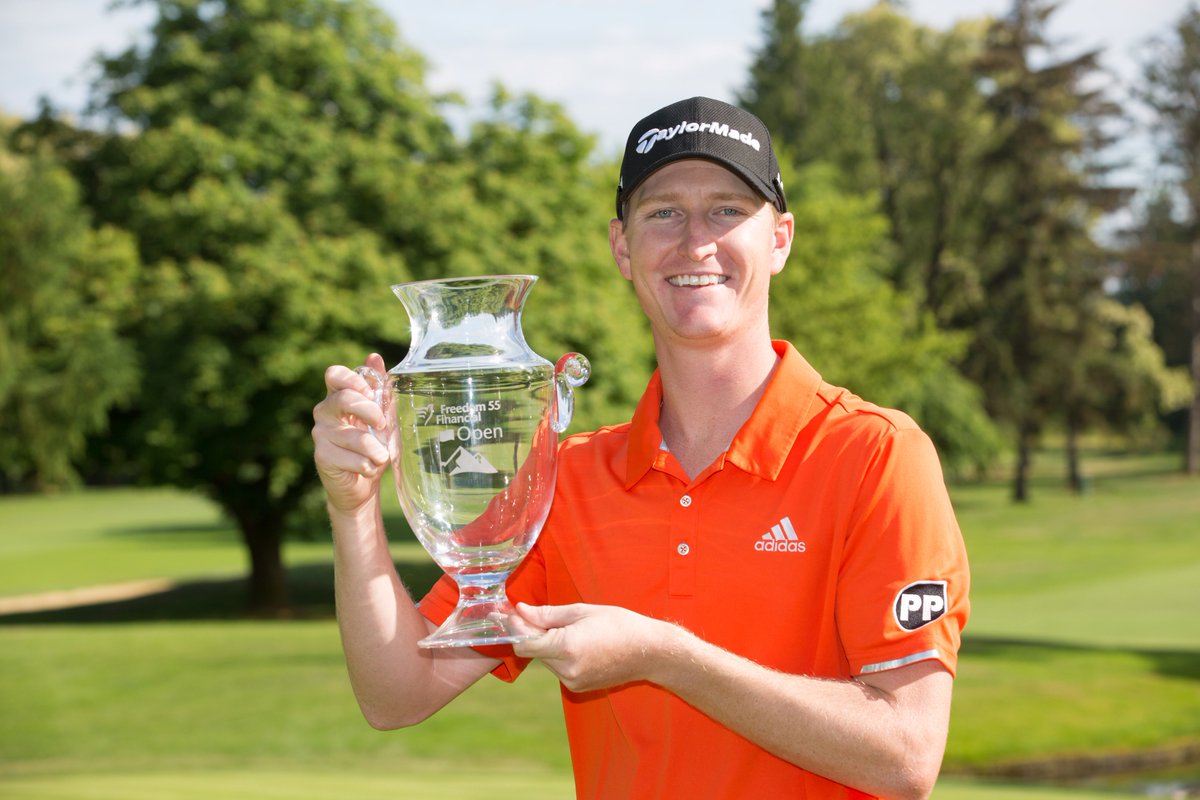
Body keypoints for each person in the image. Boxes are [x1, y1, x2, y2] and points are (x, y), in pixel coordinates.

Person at [312, 96, 970, 800]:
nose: (695, 240)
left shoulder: (875, 455)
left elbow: (905, 756)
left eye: (726, 210)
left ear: (778, 238)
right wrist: (353, 508)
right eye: (663, 212)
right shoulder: (563, 478)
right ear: (623, 248)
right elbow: (396, 694)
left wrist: (664, 656)